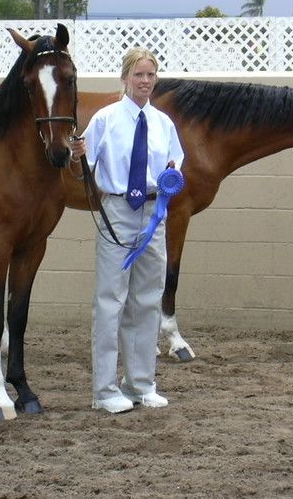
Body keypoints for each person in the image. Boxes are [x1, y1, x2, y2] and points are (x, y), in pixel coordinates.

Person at [71, 47, 185, 413]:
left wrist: (173, 174)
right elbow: (83, 166)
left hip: (154, 213)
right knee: (110, 301)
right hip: (118, 210)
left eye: (151, 75)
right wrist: (75, 156)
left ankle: (140, 383)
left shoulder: (164, 124)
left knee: (147, 299)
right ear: (125, 78)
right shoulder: (105, 120)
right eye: (139, 74)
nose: (146, 81)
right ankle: (104, 390)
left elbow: (175, 165)